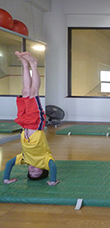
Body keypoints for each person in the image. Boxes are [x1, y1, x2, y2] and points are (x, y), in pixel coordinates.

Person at [3, 51, 60, 186]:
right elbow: (53, 167)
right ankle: (34, 64)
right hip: (35, 123)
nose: (33, 170)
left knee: (25, 92)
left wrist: (6, 179)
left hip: (24, 124)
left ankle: (24, 65)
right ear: (43, 170)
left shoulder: (25, 159)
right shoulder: (46, 161)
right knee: (33, 92)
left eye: (31, 173)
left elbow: (9, 163)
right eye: (37, 173)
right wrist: (52, 181)